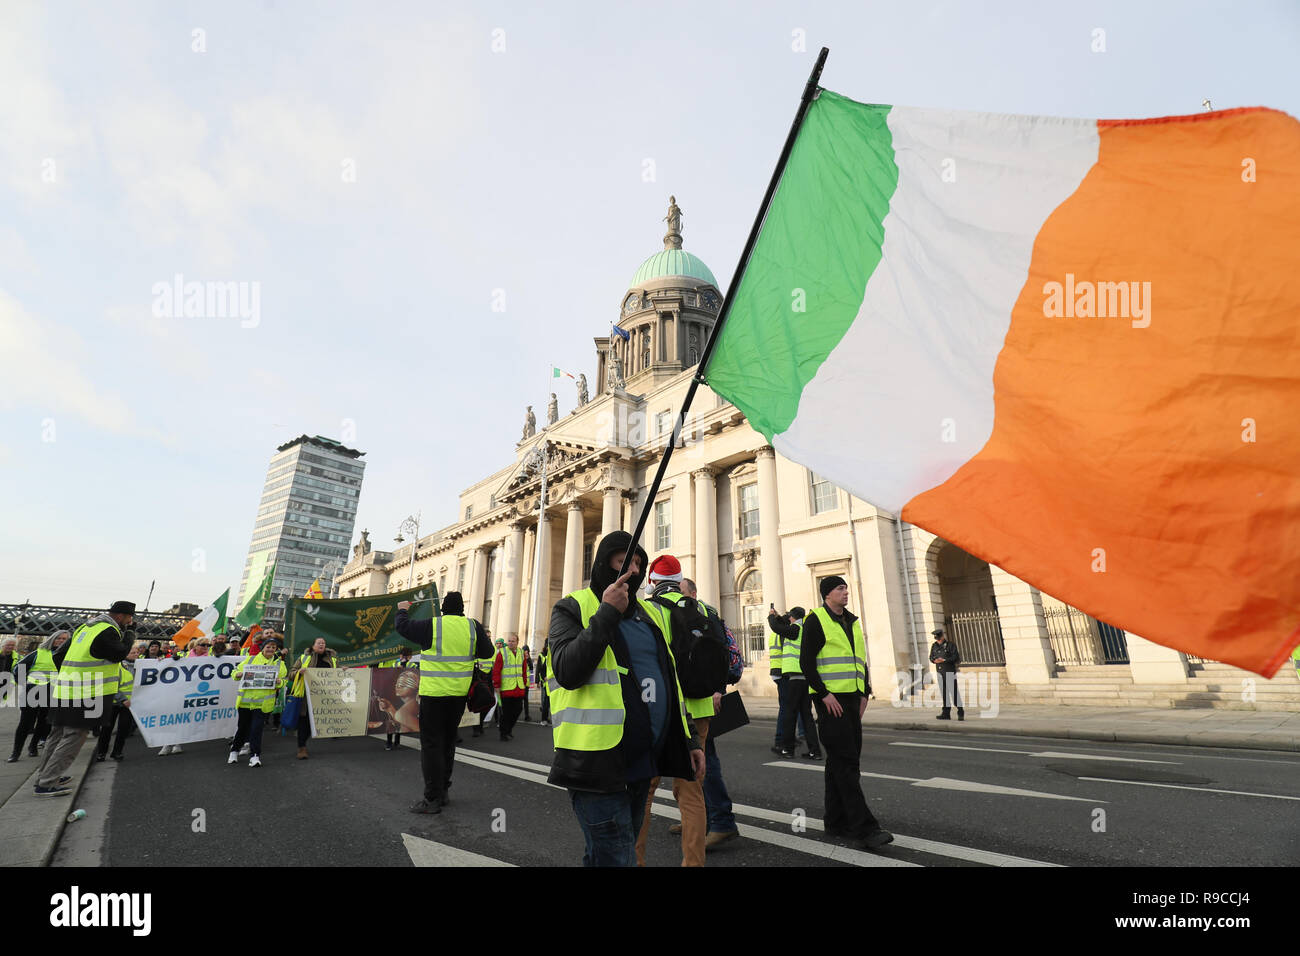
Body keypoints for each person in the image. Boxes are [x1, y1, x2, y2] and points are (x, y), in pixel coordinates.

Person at [547, 531, 705, 867]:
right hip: (595, 764)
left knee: (610, 854)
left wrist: (689, 737)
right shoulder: (572, 607)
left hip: (642, 762)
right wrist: (606, 613)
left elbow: (668, 681)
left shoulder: (649, 617)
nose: (632, 570)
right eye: (623, 562)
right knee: (619, 858)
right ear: (604, 564)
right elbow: (567, 669)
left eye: (638, 563)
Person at [635, 555, 716, 867]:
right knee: (692, 793)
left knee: (645, 789)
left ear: (652, 583)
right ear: (680, 581)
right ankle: (693, 864)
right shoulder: (704, 609)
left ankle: (636, 860)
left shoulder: (647, 609)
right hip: (700, 707)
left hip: (661, 709)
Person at [800, 576, 893, 850]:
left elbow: (859, 659)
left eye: (846, 588)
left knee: (839, 763)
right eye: (840, 589)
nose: (846, 592)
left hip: (853, 698)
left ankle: (835, 821)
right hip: (831, 701)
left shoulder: (851, 620)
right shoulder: (816, 619)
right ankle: (865, 828)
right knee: (847, 763)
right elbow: (807, 662)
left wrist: (865, 692)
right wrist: (823, 694)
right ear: (827, 594)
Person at [395, 591, 493, 814]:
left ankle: (432, 799)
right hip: (458, 696)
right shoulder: (472, 627)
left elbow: (403, 627)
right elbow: (488, 652)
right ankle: (444, 791)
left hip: (434, 695)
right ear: (462, 609)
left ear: (443, 609)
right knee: (448, 743)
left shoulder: (434, 625)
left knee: (431, 745)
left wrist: (402, 609)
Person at [36, 601, 134, 797]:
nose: (131, 622)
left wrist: (69, 675)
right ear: (122, 616)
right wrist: (130, 635)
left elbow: (58, 656)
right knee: (74, 737)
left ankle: (45, 776)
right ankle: (47, 783)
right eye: (130, 618)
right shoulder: (108, 630)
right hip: (87, 694)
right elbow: (119, 654)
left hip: (65, 690)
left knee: (56, 735)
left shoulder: (85, 628)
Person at [684, 577, 742, 851]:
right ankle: (700, 818)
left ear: (693, 593)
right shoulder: (684, 613)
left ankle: (722, 822)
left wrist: (718, 689)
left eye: (681, 592)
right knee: (689, 761)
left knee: (707, 760)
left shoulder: (705, 615)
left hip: (704, 699)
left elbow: (716, 655)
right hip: (688, 700)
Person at [8, 630, 69, 762]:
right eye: (59, 638)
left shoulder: (69, 656)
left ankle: (33, 746)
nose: (61, 641)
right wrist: (23, 683)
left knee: (44, 723)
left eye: (65, 639)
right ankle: (15, 752)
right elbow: (19, 667)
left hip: (53, 693)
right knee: (25, 723)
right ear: (52, 639)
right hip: (33, 691)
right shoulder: (39, 652)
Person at [228, 634, 287, 767]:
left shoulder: (279, 663)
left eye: (273, 647)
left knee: (256, 729)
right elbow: (235, 672)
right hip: (245, 702)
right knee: (242, 728)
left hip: (262, 704)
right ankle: (234, 751)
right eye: (268, 646)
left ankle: (255, 756)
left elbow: (283, 681)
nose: (271, 649)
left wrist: (279, 682)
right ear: (262, 648)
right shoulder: (251, 660)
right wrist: (237, 674)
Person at [777, 607, 822, 759]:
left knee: (790, 714)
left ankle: (788, 749)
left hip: (795, 678)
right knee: (807, 716)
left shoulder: (795, 628)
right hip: (806, 678)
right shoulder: (806, 629)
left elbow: (777, 627)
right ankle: (815, 751)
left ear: (792, 617)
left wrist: (772, 617)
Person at [96, 640, 144, 761]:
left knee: (123, 730)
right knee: (106, 730)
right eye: (132, 652)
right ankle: (101, 753)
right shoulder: (116, 666)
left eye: (136, 652)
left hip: (129, 705)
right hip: (113, 702)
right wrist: (122, 699)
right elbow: (111, 684)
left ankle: (117, 752)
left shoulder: (142, 665)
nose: (135, 654)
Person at [289, 637, 335, 759]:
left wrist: (344, 671)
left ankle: (303, 741)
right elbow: (291, 674)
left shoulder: (332, 659)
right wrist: (299, 672)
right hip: (306, 697)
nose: (321, 644)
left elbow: (338, 674)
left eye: (323, 643)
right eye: (319, 643)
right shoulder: (304, 658)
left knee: (313, 723)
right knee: (304, 722)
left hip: (323, 698)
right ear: (313, 646)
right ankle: (302, 748)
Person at [377, 646, 418, 750]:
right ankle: (389, 741)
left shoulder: (412, 665)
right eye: (402, 655)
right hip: (394, 695)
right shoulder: (395, 664)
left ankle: (396, 741)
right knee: (391, 719)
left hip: (405, 697)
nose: (403, 657)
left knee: (399, 720)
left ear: (409, 657)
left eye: (405, 656)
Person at [491, 634, 528, 741]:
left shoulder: (521, 652)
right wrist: (496, 685)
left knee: (517, 710)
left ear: (517, 642)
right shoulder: (502, 653)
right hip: (506, 688)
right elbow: (496, 670)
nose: (510, 643)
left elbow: (524, 669)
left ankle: (508, 729)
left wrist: (525, 683)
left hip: (519, 688)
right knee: (506, 713)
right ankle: (504, 733)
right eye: (509, 641)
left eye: (513, 641)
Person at [929, 627, 964, 720]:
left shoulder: (950, 645)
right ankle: (946, 713)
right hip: (940, 672)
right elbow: (931, 657)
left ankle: (960, 711)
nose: (938, 640)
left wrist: (944, 660)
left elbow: (955, 657)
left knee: (954, 692)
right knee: (944, 693)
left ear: (943, 636)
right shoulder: (934, 646)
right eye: (937, 638)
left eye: (939, 638)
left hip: (949, 671)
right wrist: (934, 660)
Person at [536, 639, 551, 726]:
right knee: (545, 701)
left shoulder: (552, 654)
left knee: (549, 702)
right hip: (545, 681)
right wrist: (538, 681)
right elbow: (539, 668)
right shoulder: (541, 655)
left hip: (551, 681)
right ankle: (543, 719)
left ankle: (546, 717)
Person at [520, 644, 533, 722]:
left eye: (527, 653)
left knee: (525, 700)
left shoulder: (530, 661)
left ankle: (527, 715)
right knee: (519, 700)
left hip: (527, 684)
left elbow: (531, 673)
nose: (526, 654)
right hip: (521, 683)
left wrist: (531, 683)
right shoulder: (520, 660)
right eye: (525, 653)